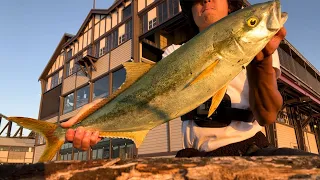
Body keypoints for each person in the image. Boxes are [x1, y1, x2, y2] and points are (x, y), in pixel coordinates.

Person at [61, 0, 317, 157]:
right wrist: (94, 114)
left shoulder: (261, 46)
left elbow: (268, 115)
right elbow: (142, 97)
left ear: (231, 4)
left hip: (250, 148)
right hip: (194, 157)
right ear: (191, 11)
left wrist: (260, 62)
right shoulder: (172, 53)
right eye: (195, 0)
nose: (204, 0)